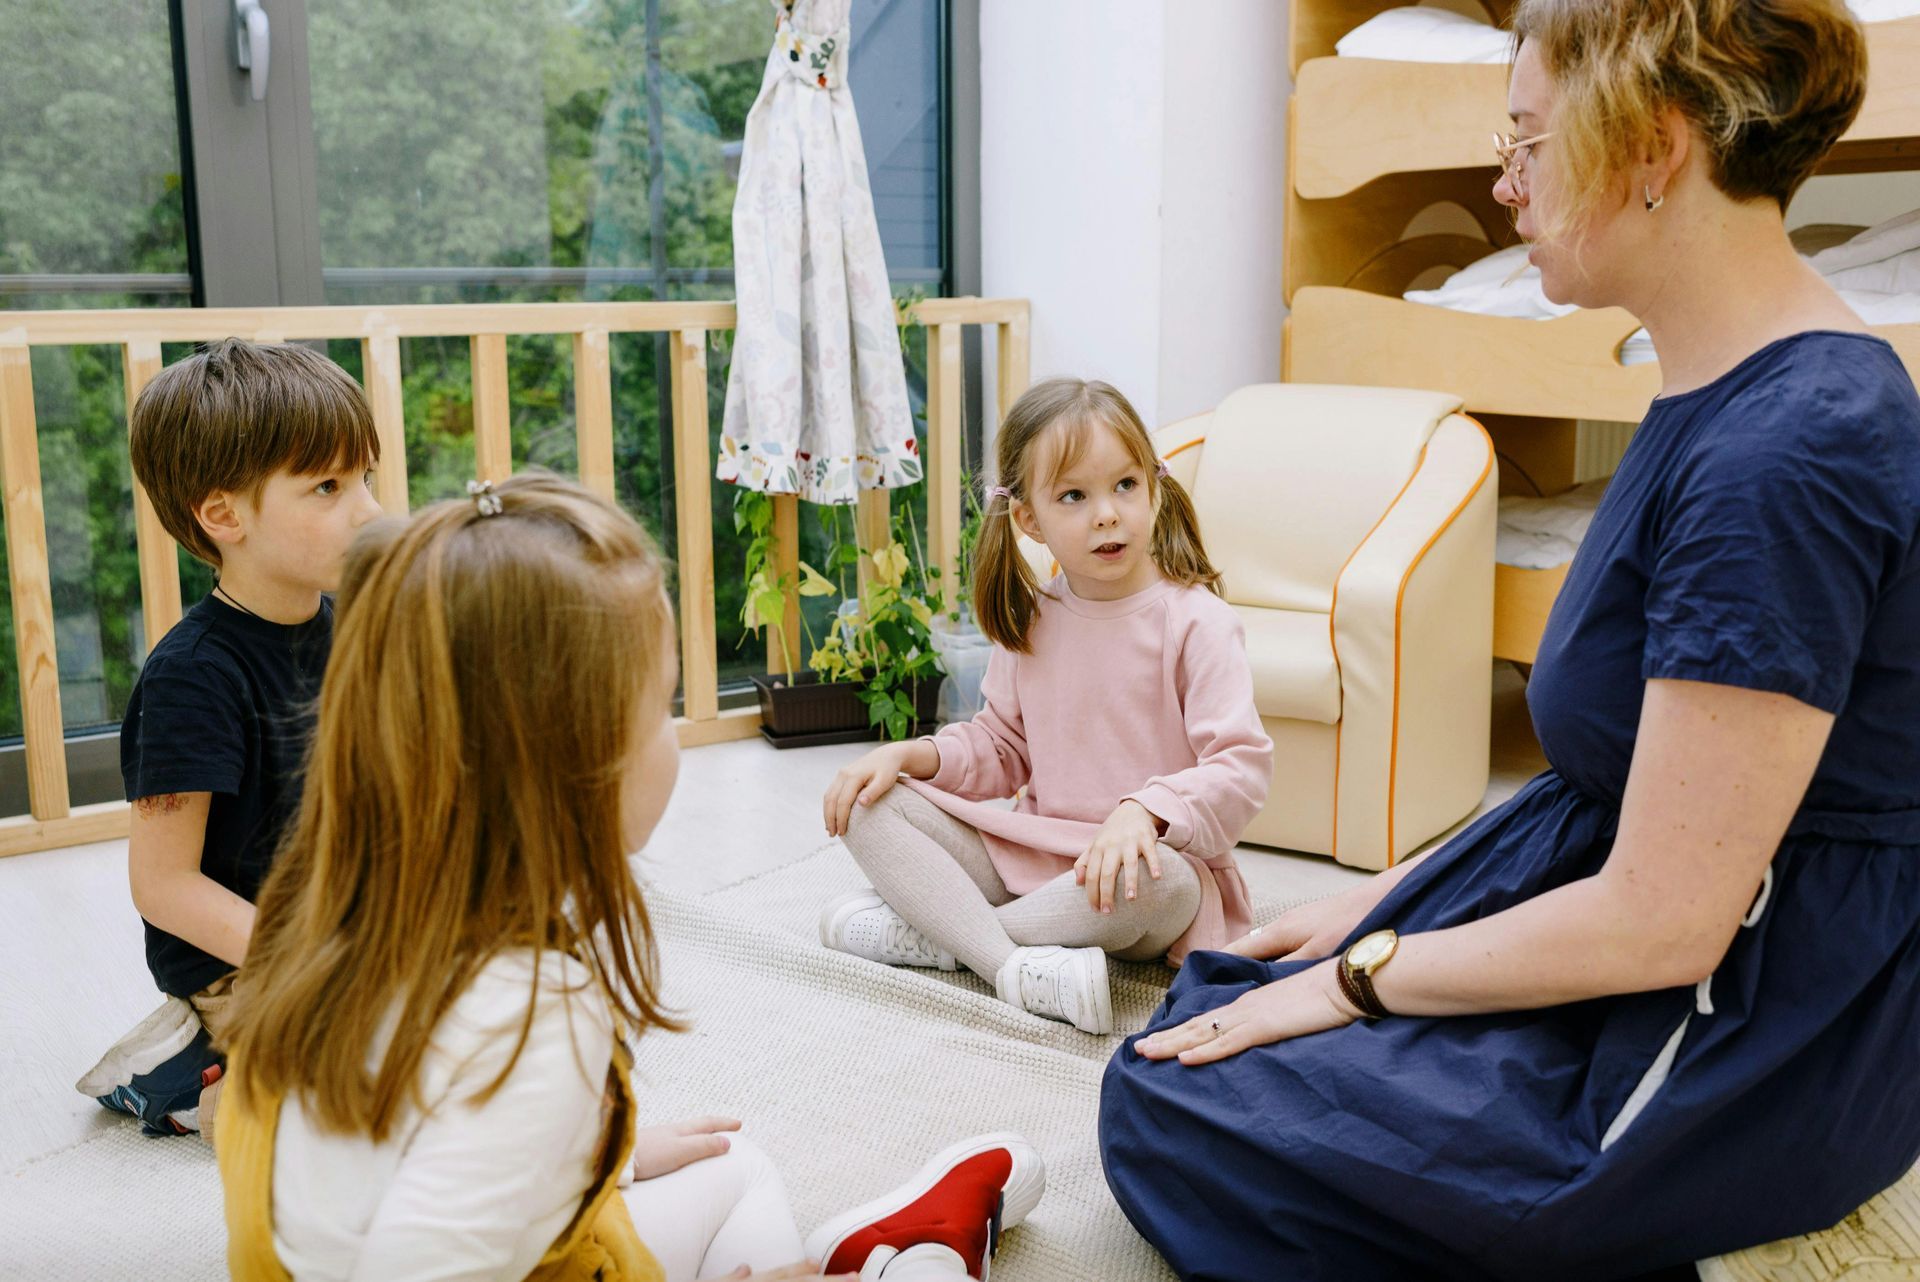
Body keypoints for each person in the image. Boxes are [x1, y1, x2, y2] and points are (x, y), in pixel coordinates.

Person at [1099, 2, 1920, 1277]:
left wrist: (1365, 977)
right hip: (1659, 908)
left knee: (1179, 1105)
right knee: (1213, 1008)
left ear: (1651, 149)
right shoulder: (1717, 382)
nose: (1503, 181)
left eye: (1529, 143)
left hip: (1759, 1012)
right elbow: (1628, 777)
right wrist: (1381, 905)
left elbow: (1667, 922)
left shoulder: (1788, 449)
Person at [214, 473, 1045, 1282]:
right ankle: (916, 1254)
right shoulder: (528, 1022)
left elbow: (394, 1168)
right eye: (662, 705)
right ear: (580, 761)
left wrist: (594, 1156)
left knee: (733, 1161)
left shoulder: (317, 913)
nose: (674, 736)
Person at [820, 378, 1272, 1034]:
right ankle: (1008, 963)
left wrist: (1144, 812)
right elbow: (1001, 748)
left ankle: (946, 936)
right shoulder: (1034, 619)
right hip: (1029, 857)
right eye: (1073, 496)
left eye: (1125, 485)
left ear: (1154, 485)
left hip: (1140, 876)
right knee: (869, 802)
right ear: (1029, 517)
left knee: (1156, 880)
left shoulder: (1199, 623)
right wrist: (912, 753)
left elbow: (1240, 768)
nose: (1108, 514)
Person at [76, 338, 383, 1139]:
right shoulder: (193, 678)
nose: (369, 511)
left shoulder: (350, 621)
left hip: (345, 916)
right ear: (224, 516)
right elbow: (165, 885)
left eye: (364, 480)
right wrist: (315, 951)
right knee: (365, 1095)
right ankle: (192, 1081)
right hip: (248, 954)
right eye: (328, 486)